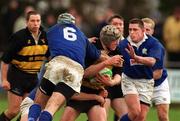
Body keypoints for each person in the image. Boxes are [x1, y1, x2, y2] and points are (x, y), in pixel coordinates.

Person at [27, 13, 123, 121]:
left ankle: (31, 118)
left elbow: (39, 49)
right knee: (50, 107)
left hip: (58, 63)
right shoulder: (82, 36)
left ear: (59, 22)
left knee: (40, 104)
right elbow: (96, 59)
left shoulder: (51, 30)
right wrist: (108, 61)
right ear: (74, 23)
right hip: (76, 73)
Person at [60, 24, 123, 121]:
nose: (117, 43)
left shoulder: (117, 51)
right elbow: (85, 73)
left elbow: (119, 73)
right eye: (115, 40)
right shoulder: (91, 47)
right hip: (80, 92)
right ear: (107, 40)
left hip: (98, 94)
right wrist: (106, 63)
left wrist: (112, 82)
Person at [0, 11, 49, 121]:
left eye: (38, 20)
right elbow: (5, 60)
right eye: (32, 21)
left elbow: (50, 56)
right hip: (17, 76)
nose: (36, 23)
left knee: (27, 111)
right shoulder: (19, 37)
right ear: (26, 22)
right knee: (13, 111)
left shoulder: (46, 37)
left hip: (33, 77)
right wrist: (4, 79)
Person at [118, 18, 161, 121]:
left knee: (140, 117)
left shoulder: (153, 43)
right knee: (135, 112)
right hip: (129, 79)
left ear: (142, 31)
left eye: (135, 30)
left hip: (146, 81)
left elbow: (152, 61)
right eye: (130, 29)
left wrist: (136, 58)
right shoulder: (123, 44)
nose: (132, 32)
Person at [141, 17, 170, 121]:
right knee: (140, 116)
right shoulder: (132, 45)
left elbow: (158, 73)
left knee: (163, 117)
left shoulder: (157, 46)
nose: (145, 32)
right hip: (142, 85)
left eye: (148, 30)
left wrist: (138, 76)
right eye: (143, 29)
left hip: (159, 83)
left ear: (152, 31)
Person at [104, 14, 128, 121]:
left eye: (120, 24)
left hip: (120, 85)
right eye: (115, 24)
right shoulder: (102, 42)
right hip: (104, 84)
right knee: (102, 117)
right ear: (108, 26)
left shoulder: (128, 45)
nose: (118, 26)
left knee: (127, 116)